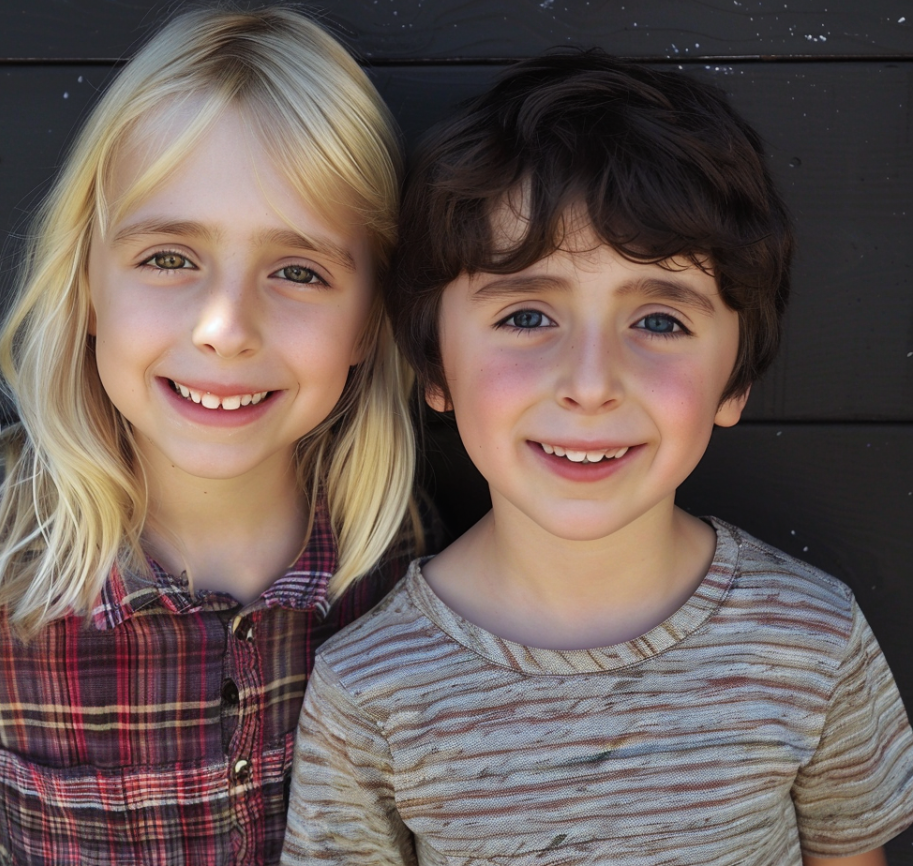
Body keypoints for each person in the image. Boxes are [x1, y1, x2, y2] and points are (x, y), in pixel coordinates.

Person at [281, 51, 913, 866]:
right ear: (436, 366)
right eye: (526, 316)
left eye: (658, 322)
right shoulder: (369, 689)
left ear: (735, 378)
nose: (589, 384)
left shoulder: (811, 638)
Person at [0, 4, 423, 865]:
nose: (224, 327)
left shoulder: (416, 582)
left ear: (369, 322)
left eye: (298, 271)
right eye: (169, 257)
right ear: (86, 285)